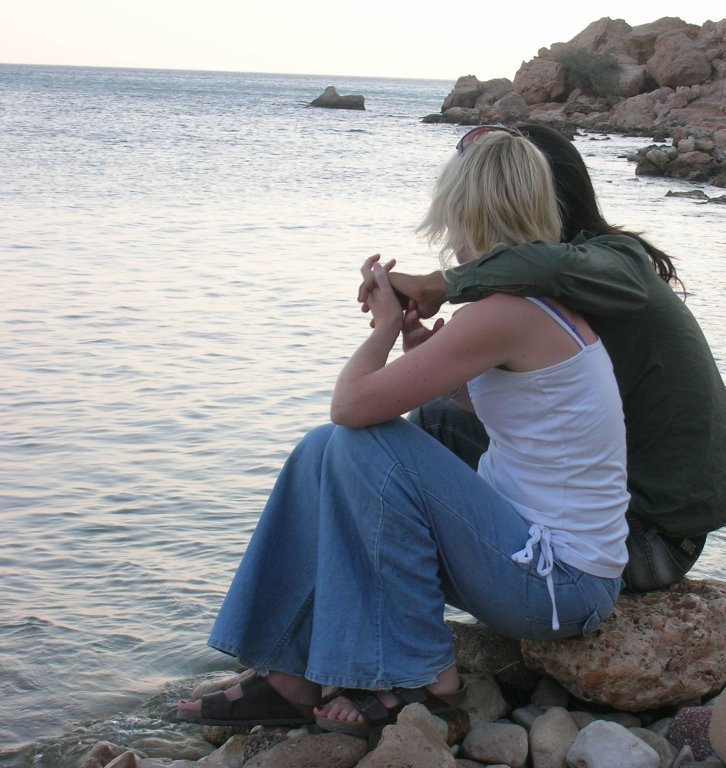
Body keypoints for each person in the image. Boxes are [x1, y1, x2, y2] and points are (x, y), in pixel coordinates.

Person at [176, 128, 630, 741]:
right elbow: (522, 418)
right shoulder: (531, 304)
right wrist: (425, 354)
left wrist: (386, 328)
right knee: (320, 450)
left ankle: (426, 678)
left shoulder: (506, 312)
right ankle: (288, 675)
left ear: (465, 210)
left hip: (561, 585)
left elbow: (350, 406)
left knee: (356, 442)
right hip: (528, 556)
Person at [388, 123, 726, 593]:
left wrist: (441, 284)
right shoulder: (563, 284)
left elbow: (548, 263)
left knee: (403, 474)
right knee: (436, 419)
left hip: (650, 541)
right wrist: (443, 373)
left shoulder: (614, 264)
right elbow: (538, 422)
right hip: (634, 526)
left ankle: (406, 613)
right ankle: (403, 607)